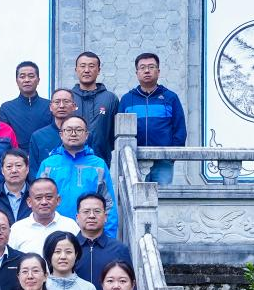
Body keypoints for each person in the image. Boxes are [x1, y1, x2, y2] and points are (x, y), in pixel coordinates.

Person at [38, 115, 119, 237]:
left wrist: (108, 238)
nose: (73, 134)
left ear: (86, 135)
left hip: (89, 234)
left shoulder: (98, 165)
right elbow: (38, 199)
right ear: (61, 134)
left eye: (78, 130)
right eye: (69, 130)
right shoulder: (48, 165)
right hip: (53, 233)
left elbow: (109, 203)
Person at [118, 52, 187, 185]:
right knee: (135, 194)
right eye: (142, 67)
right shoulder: (127, 99)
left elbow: (179, 128)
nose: (147, 71)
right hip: (134, 159)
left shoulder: (170, 98)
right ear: (137, 73)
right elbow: (118, 130)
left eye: (151, 67)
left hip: (163, 160)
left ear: (158, 71)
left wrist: (172, 155)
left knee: (162, 195)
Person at [74, 192, 133, 290]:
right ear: (77, 217)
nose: (91, 216)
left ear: (105, 217)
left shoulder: (119, 249)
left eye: (97, 211)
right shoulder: (69, 249)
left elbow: (129, 287)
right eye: (86, 212)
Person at [70, 52, 119, 165]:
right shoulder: (68, 98)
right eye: (82, 66)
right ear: (76, 70)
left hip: (100, 161)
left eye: (91, 66)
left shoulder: (110, 99)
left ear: (98, 70)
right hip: (71, 161)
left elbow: (113, 134)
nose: (87, 70)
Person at [8, 177, 79, 255]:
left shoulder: (70, 226)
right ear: (29, 202)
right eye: (38, 198)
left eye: (49, 197)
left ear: (58, 200)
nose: (44, 202)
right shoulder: (17, 229)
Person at [0, 61, 52, 151]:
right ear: (17, 81)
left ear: (38, 80)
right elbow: (4, 139)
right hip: (17, 157)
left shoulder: (49, 106)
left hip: (45, 156)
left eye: (31, 76)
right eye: (22, 76)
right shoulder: (7, 108)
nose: (27, 80)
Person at [29, 88, 78, 176]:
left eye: (66, 101)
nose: (61, 106)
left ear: (74, 106)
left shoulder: (83, 135)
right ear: (51, 107)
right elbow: (33, 171)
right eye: (57, 102)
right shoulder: (38, 136)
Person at [0, 149, 32, 224]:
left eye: (18, 166)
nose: (14, 170)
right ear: (2, 171)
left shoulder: (36, 197)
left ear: (27, 169)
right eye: (9, 166)